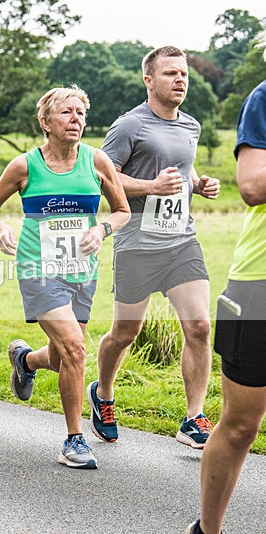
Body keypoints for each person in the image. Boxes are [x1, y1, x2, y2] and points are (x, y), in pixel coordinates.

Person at [0, 85, 130, 469]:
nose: (76, 119)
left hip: (82, 270)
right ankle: (74, 440)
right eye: (66, 112)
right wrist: (0, 229)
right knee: (77, 350)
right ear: (45, 122)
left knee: (66, 358)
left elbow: (122, 211)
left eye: (80, 112)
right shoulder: (25, 166)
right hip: (37, 268)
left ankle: (26, 360)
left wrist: (102, 231)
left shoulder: (97, 162)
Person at [88, 46, 221, 449]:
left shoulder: (192, 126)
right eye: (170, 74)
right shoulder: (130, 125)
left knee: (199, 328)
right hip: (137, 243)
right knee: (126, 333)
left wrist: (198, 183)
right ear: (149, 80)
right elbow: (102, 175)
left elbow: (182, 165)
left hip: (181, 239)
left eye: (183, 74)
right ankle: (103, 395)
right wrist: (149, 187)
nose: (180, 80)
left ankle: (192, 418)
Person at [185, 33, 266, 534]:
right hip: (259, 283)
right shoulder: (264, 98)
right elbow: (253, 185)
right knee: (240, 425)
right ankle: (207, 530)